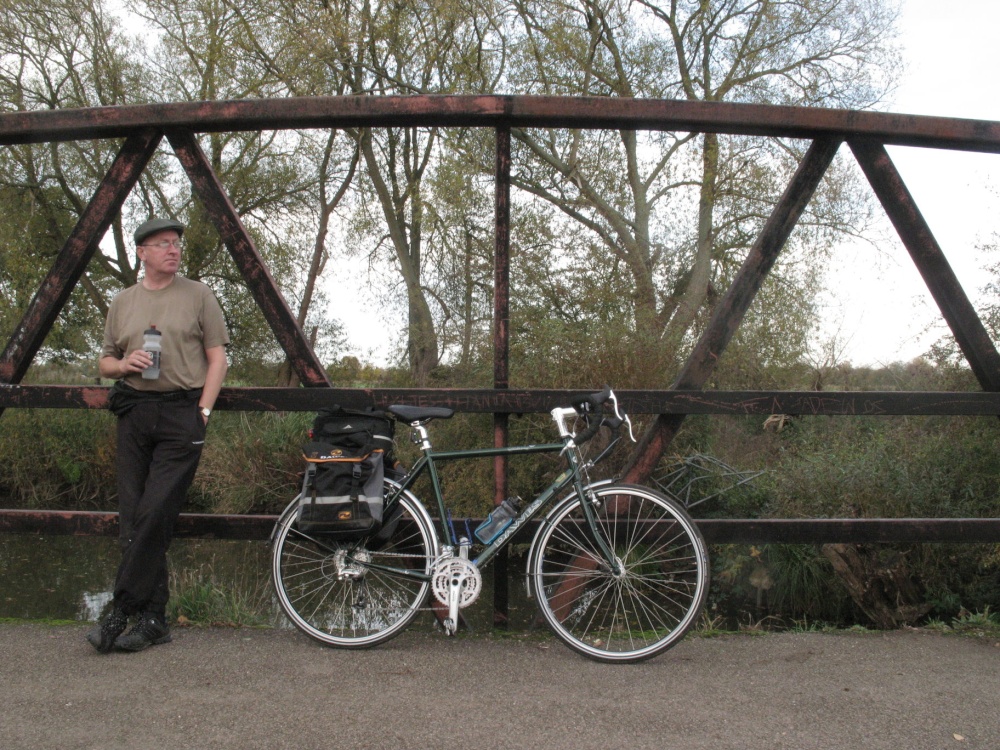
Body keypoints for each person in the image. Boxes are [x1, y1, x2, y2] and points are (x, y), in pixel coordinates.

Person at [87, 217, 229, 653]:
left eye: (177, 243)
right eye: (163, 243)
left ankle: (117, 612)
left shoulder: (198, 295)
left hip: (180, 414)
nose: (174, 249)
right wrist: (123, 362)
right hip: (133, 412)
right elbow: (105, 361)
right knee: (135, 519)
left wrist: (202, 410)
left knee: (153, 513)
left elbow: (218, 358)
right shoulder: (123, 301)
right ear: (142, 253)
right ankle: (154, 620)